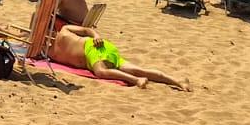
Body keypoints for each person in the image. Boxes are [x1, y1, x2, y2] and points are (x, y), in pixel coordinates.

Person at [48, 25, 190, 90]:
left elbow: (86, 29)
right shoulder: (47, 50)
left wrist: (96, 35)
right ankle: (177, 81)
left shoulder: (64, 30)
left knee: (101, 72)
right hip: (101, 52)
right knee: (138, 69)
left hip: (93, 48)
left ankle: (136, 81)